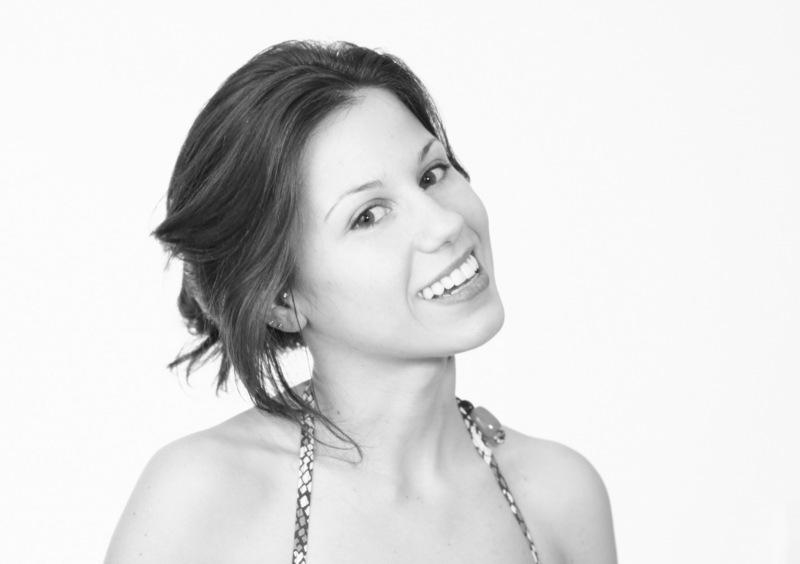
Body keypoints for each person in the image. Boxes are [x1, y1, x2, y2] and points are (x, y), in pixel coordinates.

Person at [104, 40, 617, 564]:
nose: (445, 223)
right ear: (280, 299)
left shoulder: (559, 497)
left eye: (432, 174)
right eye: (368, 215)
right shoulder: (201, 501)